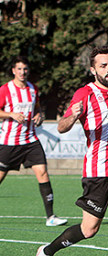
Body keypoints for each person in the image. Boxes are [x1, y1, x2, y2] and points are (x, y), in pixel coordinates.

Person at [31, 45, 108, 256]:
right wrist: (73, 115)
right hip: (98, 172)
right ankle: (46, 251)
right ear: (93, 70)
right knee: (89, 230)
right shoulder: (85, 93)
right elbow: (62, 126)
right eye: (103, 66)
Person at [0, 56, 67, 227]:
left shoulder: (32, 89)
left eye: (25, 69)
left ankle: (51, 217)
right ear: (13, 71)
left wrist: (39, 116)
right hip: (10, 142)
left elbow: (37, 109)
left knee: (43, 173)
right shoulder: (6, 89)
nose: (23, 72)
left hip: (30, 141)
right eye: (19, 69)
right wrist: (11, 114)